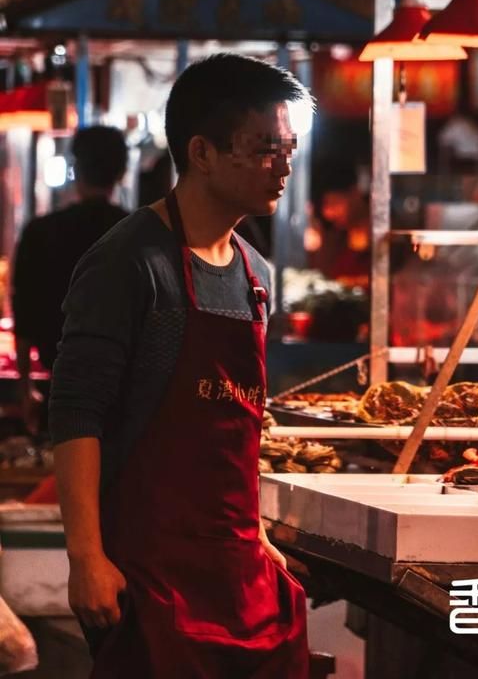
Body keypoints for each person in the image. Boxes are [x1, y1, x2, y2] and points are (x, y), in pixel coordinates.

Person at [50, 54, 310, 678]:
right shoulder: (130, 262)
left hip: (239, 570)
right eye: (265, 148)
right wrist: (86, 556)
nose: (284, 165)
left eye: (289, 147)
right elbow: (77, 409)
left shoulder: (255, 275)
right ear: (202, 153)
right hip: (151, 572)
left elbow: (236, 432)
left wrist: (257, 537)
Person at [12, 126, 128, 435]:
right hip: (129, 398)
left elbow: (23, 317)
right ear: (122, 172)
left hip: (60, 391)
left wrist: (25, 390)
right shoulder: (138, 234)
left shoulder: (40, 232)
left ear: (75, 168)